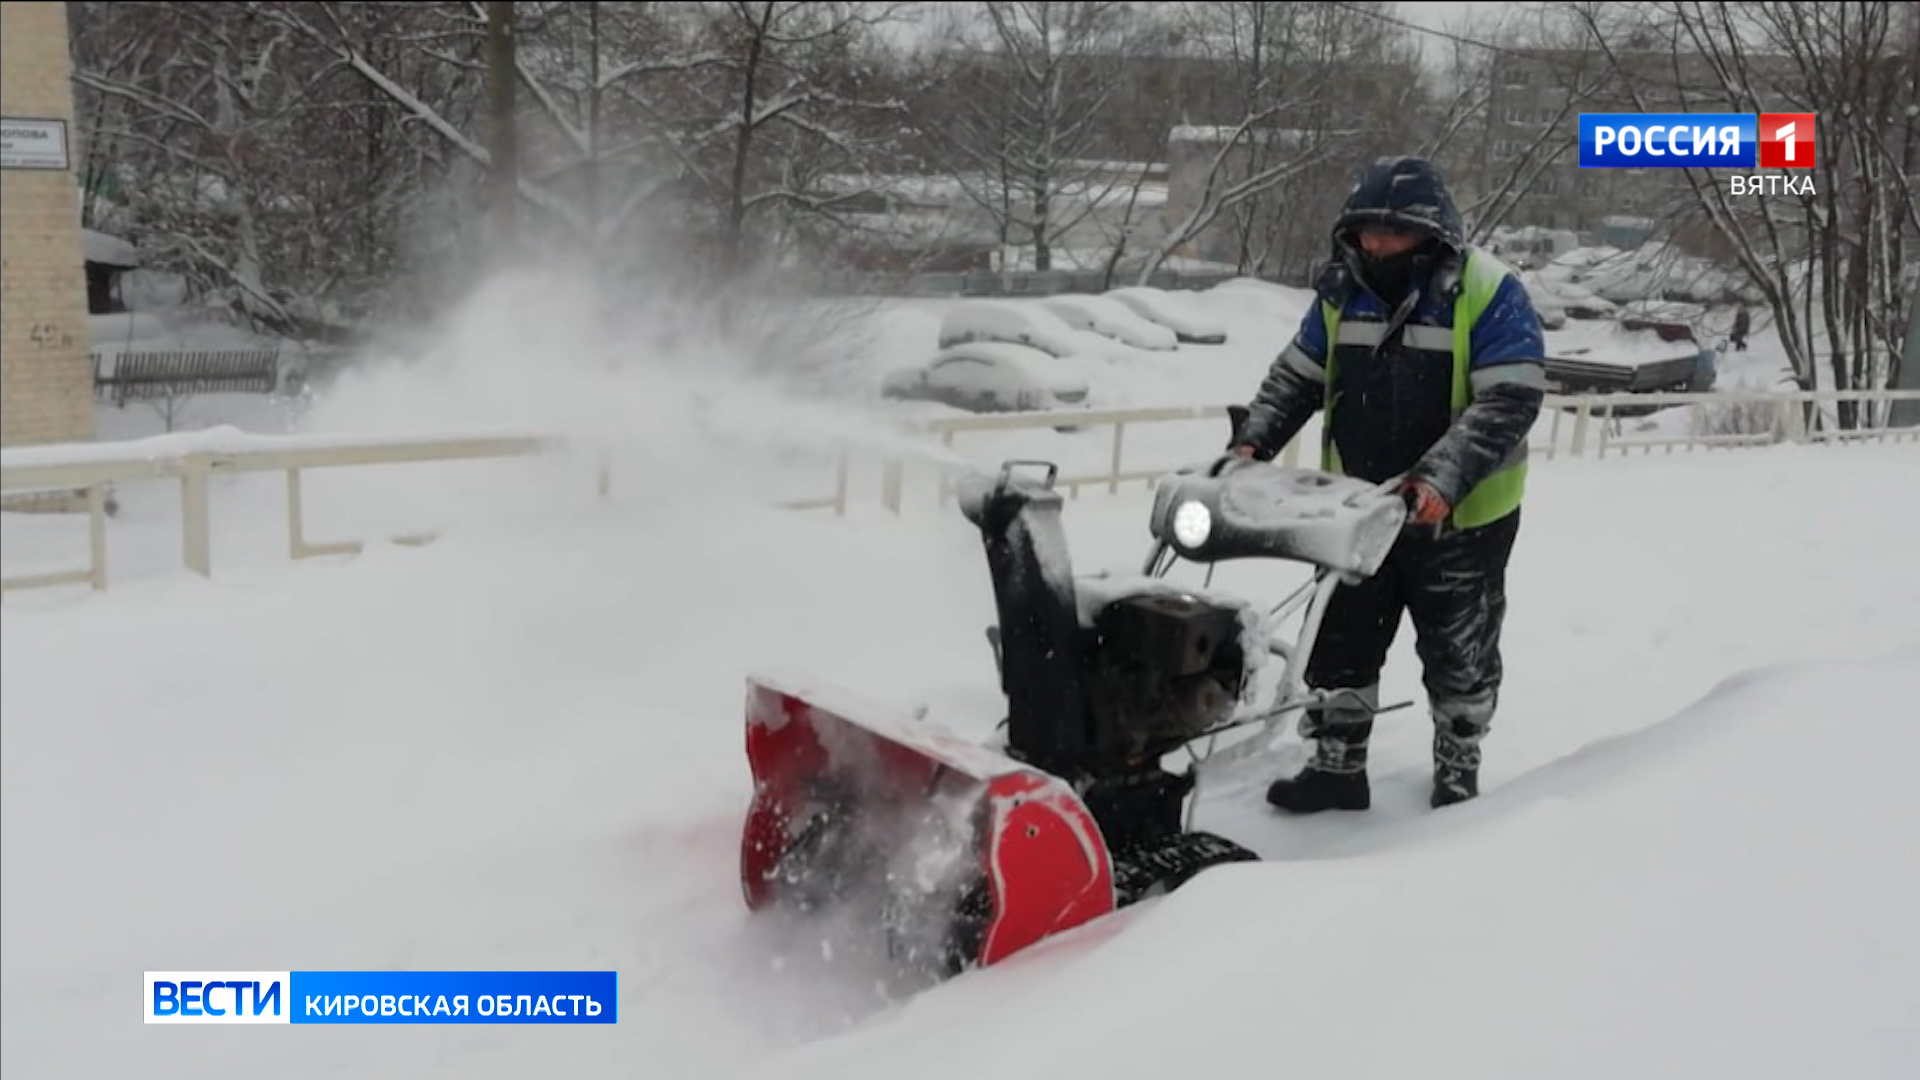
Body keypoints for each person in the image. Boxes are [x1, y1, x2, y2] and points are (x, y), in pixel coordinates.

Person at [1229, 155, 1546, 812]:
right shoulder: (1342, 291)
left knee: (1458, 649)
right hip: (1358, 510)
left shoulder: (1490, 291)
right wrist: (1252, 440)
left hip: (1459, 518)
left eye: (1394, 232)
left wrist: (1439, 480)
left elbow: (1509, 400)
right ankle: (1338, 767)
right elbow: (1297, 376)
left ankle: (1458, 767)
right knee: (1341, 639)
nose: (1377, 244)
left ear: (1434, 233)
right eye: (1367, 231)